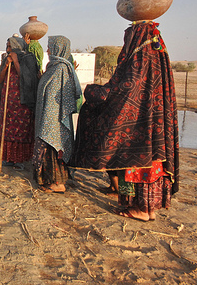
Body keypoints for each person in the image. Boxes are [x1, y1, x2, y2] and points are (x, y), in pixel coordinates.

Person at [70, 20, 179, 222]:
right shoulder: (156, 55)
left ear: (135, 37)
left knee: (133, 165)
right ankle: (148, 209)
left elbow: (124, 89)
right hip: (154, 128)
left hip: (138, 130)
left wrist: (94, 92)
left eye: (128, 36)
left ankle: (140, 209)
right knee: (151, 165)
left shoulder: (139, 58)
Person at [33, 36, 81, 193]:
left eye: (49, 47)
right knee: (47, 148)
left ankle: (58, 183)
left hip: (54, 119)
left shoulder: (61, 69)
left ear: (57, 48)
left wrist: (50, 118)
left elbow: (60, 97)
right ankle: (50, 180)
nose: (47, 50)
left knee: (53, 148)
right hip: (47, 117)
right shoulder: (53, 67)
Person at [0, 35, 39, 167]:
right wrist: (6, 65)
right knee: (7, 129)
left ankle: (20, 160)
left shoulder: (29, 59)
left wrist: (16, 62)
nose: (8, 49)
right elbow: (0, 79)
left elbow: (29, 80)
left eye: (10, 46)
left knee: (21, 130)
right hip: (8, 102)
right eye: (7, 46)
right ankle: (8, 158)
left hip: (22, 103)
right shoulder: (6, 59)